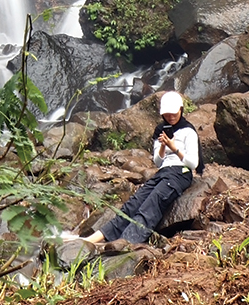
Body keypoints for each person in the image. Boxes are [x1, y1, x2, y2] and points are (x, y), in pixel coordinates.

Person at [82, 91, 200, 252]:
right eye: (167, 114)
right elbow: (158, 162)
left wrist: (175, 148)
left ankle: (125, 243)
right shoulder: (161, 130)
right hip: (163, 172)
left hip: (180, 173)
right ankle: (93, 240)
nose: (171, 117)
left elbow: (193, 163)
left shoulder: (188, 131)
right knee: (133, 203)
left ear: (181, 110)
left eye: (174, 113)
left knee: (152, 203)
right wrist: (164, 147)